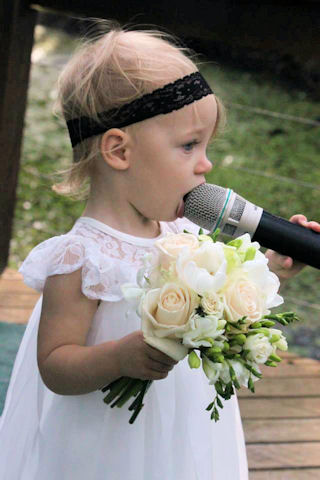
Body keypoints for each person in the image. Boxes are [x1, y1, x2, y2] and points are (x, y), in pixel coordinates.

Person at [0, 24, 319, 480]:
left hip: (181, 422)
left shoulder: (183, 228)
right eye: (189, 145)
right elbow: (54, 364)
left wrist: (271, 270)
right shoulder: (81, 257)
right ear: (119, 150)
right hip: (108, 439)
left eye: (205, 146)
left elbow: (215, 301)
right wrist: (117, 358)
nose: (205, 164)